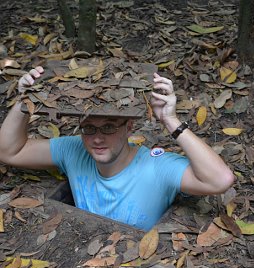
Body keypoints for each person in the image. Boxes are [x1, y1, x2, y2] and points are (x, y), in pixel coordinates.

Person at [0, 66, 235, 231]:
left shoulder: (156, 166)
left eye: (109, 127)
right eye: (89, 128)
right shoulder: (74, 150)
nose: (98, 139)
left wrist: (171, 121)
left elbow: (220, 180)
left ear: (128, 127)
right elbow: (10, 152)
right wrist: (24, 100)